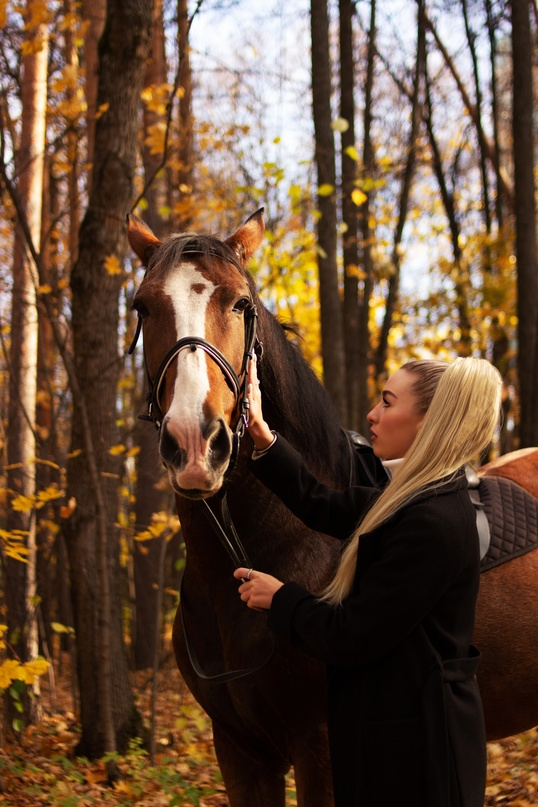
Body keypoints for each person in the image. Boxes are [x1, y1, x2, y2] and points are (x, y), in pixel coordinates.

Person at [234, 356, 502, 807]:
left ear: (429, 423)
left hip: (421, 758)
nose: (371, 415)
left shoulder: (433, 522)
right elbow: (320, 502)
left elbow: (354, 634)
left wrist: (281, 599)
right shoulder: (405, 500)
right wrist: (263, 436)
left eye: (387, 402)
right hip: (392, 739)